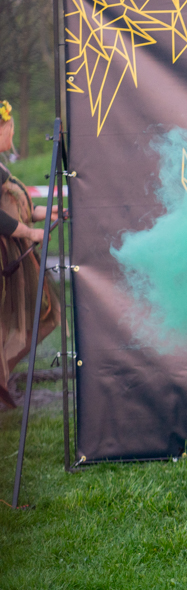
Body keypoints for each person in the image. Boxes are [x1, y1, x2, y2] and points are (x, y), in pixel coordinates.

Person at [0, 101, 60, 409]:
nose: (12, 134)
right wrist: (31, 233)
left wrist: (51, 212)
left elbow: (21, 207)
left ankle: (2, 373)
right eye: (10, 129)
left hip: (18, 257)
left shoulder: (2, 171)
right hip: (7, 260)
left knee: (45, 314)